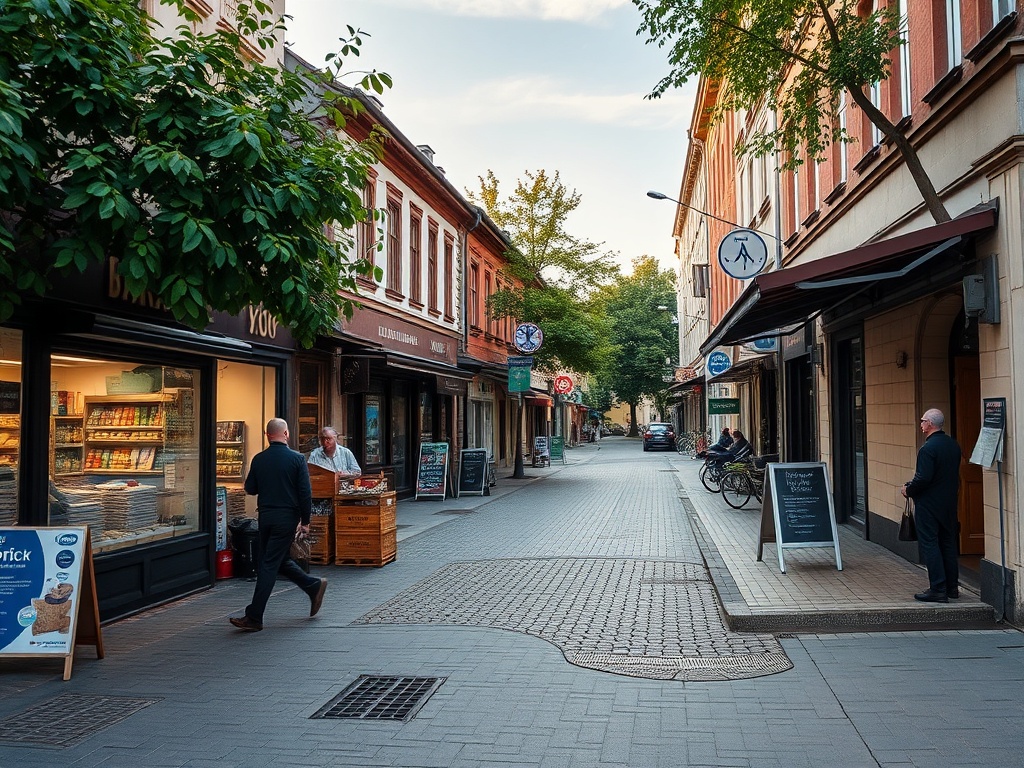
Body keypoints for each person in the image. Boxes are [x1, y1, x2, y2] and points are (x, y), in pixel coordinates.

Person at [230, 418, 327, 632]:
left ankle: (254, 616)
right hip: (287, 518)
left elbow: (250, 488)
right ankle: (313, 586)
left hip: (266, 516)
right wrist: (306, 521)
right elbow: (305, 493)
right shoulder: (297, 459)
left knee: (268, 563)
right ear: (286, 434)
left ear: (267, 435)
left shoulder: (259, 459)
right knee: (277, 561)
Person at [901, 408, 962, 603]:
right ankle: (952, 587)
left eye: (922, 421)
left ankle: (937, 588)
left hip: (929, 504)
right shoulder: (953, 445)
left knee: (930, 544)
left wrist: (908, 490)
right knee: (948, 543)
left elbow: (923, 478)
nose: (920, 424)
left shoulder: (927, 449)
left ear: (929, 424)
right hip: (949, 503)